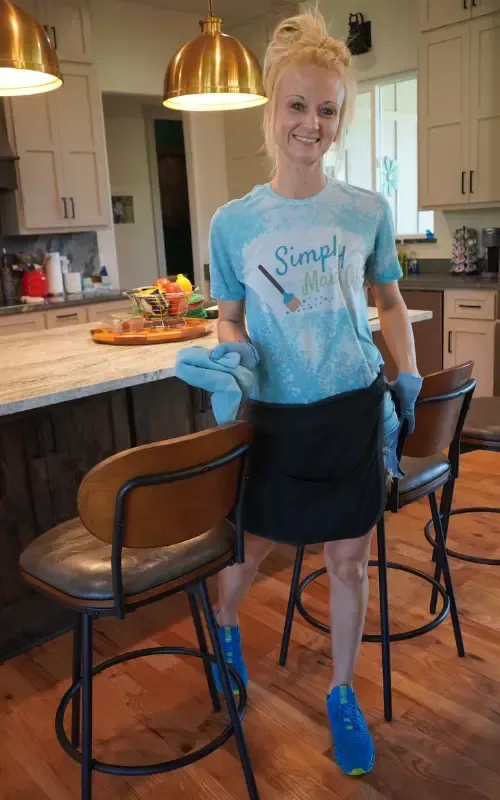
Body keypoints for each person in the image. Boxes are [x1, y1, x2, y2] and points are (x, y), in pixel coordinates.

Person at [208, 9, 421, 777]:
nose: (312, 124)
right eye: (297, 105)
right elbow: (230, 317)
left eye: (327, 110)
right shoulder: (233, 224)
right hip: (277, 419)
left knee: (349, 563)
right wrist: (231, 357)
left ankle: (341, 692)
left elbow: (389, 301)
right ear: (272, 107)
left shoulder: (366, 211)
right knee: (249, 548)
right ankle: (224, 624)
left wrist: (406, 370)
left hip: (351, 410)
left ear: (341, 118)